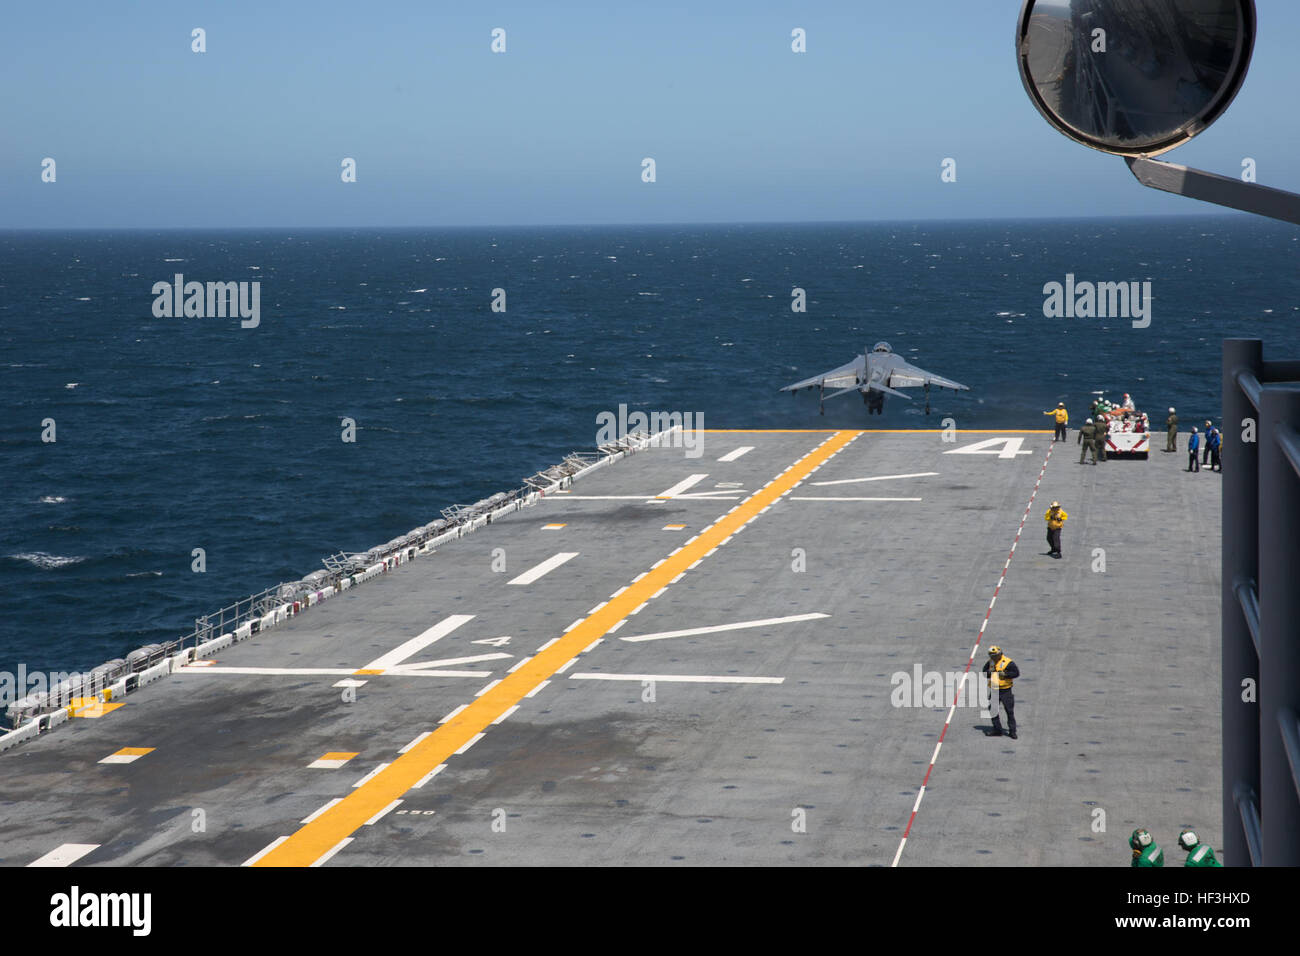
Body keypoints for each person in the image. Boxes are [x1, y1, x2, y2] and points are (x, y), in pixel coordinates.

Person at [983, 645, 1019, 739]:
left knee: (1009, 711)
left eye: (994, 655)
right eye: (991, 656)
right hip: (994, 690)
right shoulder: (990, 662)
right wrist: (989, 672)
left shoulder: (1008, 662)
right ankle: (997, 730)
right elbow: (984, 673)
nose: (992, 657)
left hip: (1006, 690)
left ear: (999, 654)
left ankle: (1012, 731)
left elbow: (1016, 673)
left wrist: (1006, 674)